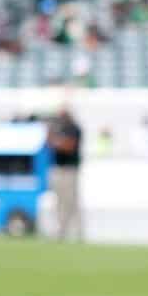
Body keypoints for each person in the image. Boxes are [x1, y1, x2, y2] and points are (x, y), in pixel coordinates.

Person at [45, 100, 86, 241]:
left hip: (70, 170)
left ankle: (79, 233)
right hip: (58, 168)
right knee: (59, 202)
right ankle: (61, 232)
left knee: (72, 202)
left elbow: (69, 146)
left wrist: (57, 142)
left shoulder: (74, 128)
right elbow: (49, 143)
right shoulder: (58, 128)